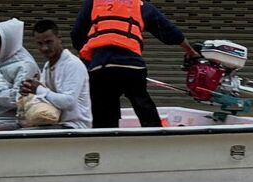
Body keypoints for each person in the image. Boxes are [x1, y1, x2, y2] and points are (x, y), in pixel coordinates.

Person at [72, 0, 198, 128]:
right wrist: (191, 51)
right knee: (143, 104)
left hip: (101, 66)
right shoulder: (140, 4)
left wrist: (89, 57)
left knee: (104, 113)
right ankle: (156, 137)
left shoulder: (94, 2)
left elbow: (76, 34)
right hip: (131, 66)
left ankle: (105, 142)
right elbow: (170, 31)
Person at [20, 19, 92, 129]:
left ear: (59, 39)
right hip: (54, 123)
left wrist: (39, 90)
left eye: (49, 42)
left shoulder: (73, 64)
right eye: (40, 43)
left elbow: (68, 102)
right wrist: (29, 92)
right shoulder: (47, 66)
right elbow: (45, 97)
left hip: (75, 126)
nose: (44, 48)